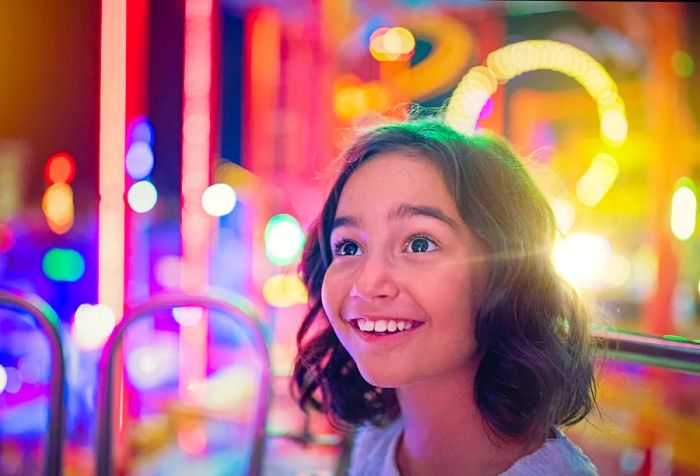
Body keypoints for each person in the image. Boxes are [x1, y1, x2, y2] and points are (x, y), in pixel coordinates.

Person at [291, 118, 598, 475]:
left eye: (419, 243)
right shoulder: (377, 444)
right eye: (348, 246)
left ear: (507, 271)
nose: (368, 282)